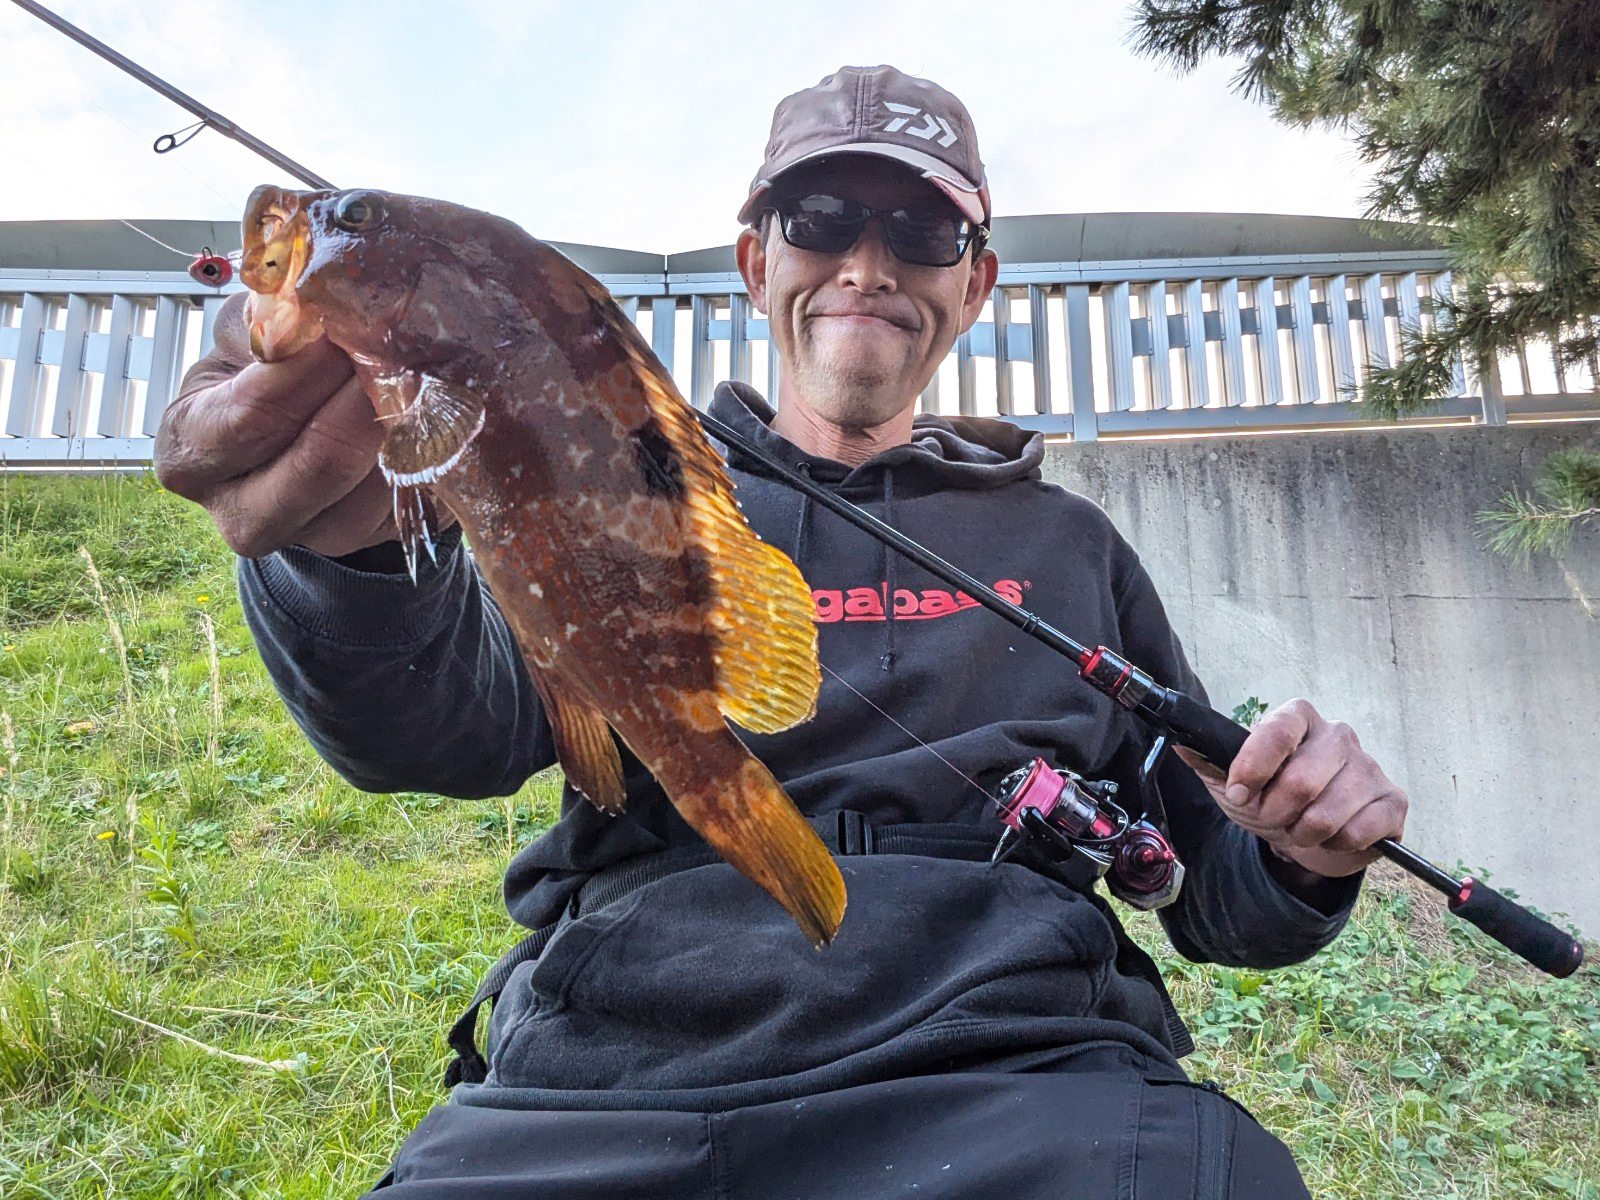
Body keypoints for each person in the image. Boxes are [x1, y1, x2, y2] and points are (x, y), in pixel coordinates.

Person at [155, 65, 1408, 1198]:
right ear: (757, 263)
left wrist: (1300, 858)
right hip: (606, 1069)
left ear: (972, 282)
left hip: (1020, 1074)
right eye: (820, 220)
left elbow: (1206, 883)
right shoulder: (615, 481)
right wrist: (346, 551)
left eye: (921, 232)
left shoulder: (1073, 546)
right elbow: (434, 734)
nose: (867, 265)